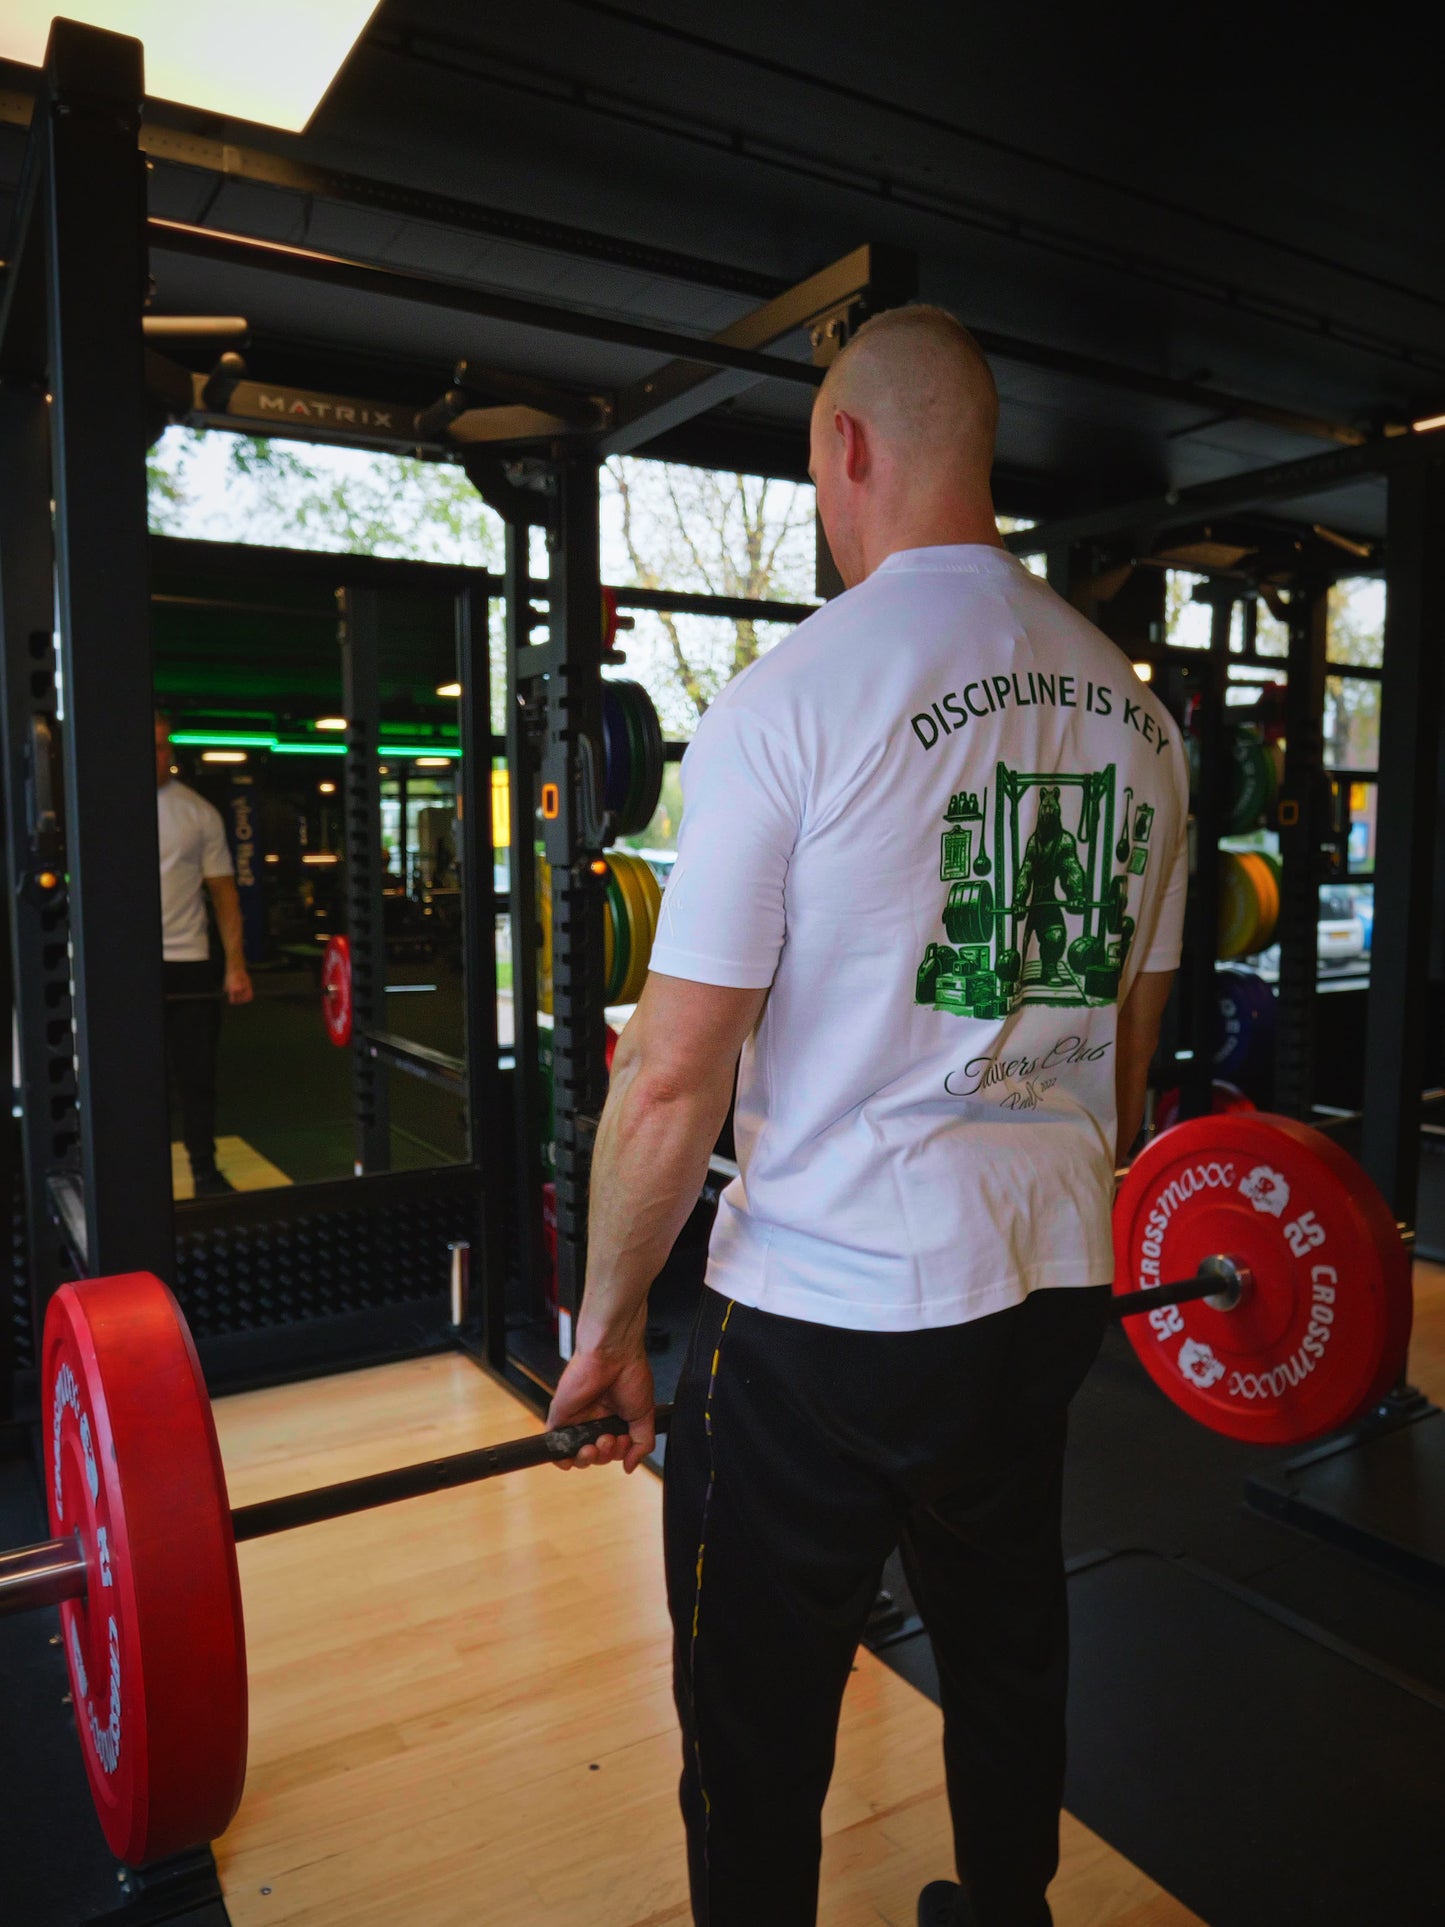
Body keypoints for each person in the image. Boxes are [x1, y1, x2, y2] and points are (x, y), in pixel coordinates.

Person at [547, 307, 1189, 1927]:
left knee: (754, 1718)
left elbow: (673, 1076)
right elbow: (1131, 1043)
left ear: (849, 448)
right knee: (1006, 1631)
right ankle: (1011, 1905)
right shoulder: (1140, 718)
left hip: (829, 1315)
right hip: (1047, 1282)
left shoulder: (795, 699)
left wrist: (611, 1324)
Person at [155, 714, 254, 1197]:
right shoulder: (99, 807)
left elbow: (224, 895)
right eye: (151, 747)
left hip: (189, 961)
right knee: (131, 1078)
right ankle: (135, 1177)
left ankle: (204, 1173)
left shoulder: (198, 813)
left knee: (197, 1077)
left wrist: (235, 965)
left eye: (164, 748)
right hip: (123, 967)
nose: (160, 757)